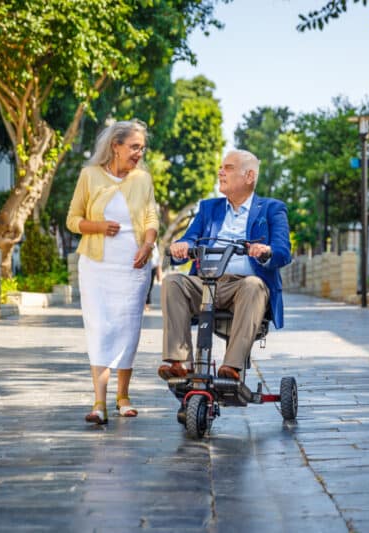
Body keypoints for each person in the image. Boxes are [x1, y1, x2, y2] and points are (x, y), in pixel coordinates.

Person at [158, 149, 292, 381]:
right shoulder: (210, 208)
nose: (220, 172)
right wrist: (181, 246)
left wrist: (266, 251)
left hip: (243, 287)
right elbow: (190, 239)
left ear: (249, 176)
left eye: (228, 168)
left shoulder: (271, 209)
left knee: (253, 284)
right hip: (206, 282)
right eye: (221, 167)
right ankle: (180, 361)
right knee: (173, 282)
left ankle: (232, 366)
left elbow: (283, 252)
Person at [66, 119, 158, 425]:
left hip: (133, 268)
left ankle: (123, 397)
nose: (138, 153)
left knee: (127, 329)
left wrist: (148, 244)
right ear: (115, 146)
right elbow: (72, 219)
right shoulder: (89, 176)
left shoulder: (143, 179)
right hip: (96, 267)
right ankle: (99, 403)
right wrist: (98, 227)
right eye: (133, 147)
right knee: (100, 328)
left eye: (142, 148)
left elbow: (150, 216)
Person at [145, 244, 161, 311]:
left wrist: (159, 274)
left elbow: (157, 259)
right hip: (142, 267)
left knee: (149, 286)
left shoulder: (154, 244)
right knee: (144, 286)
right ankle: (144, 303)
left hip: (152, 268)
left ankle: (147, 304)